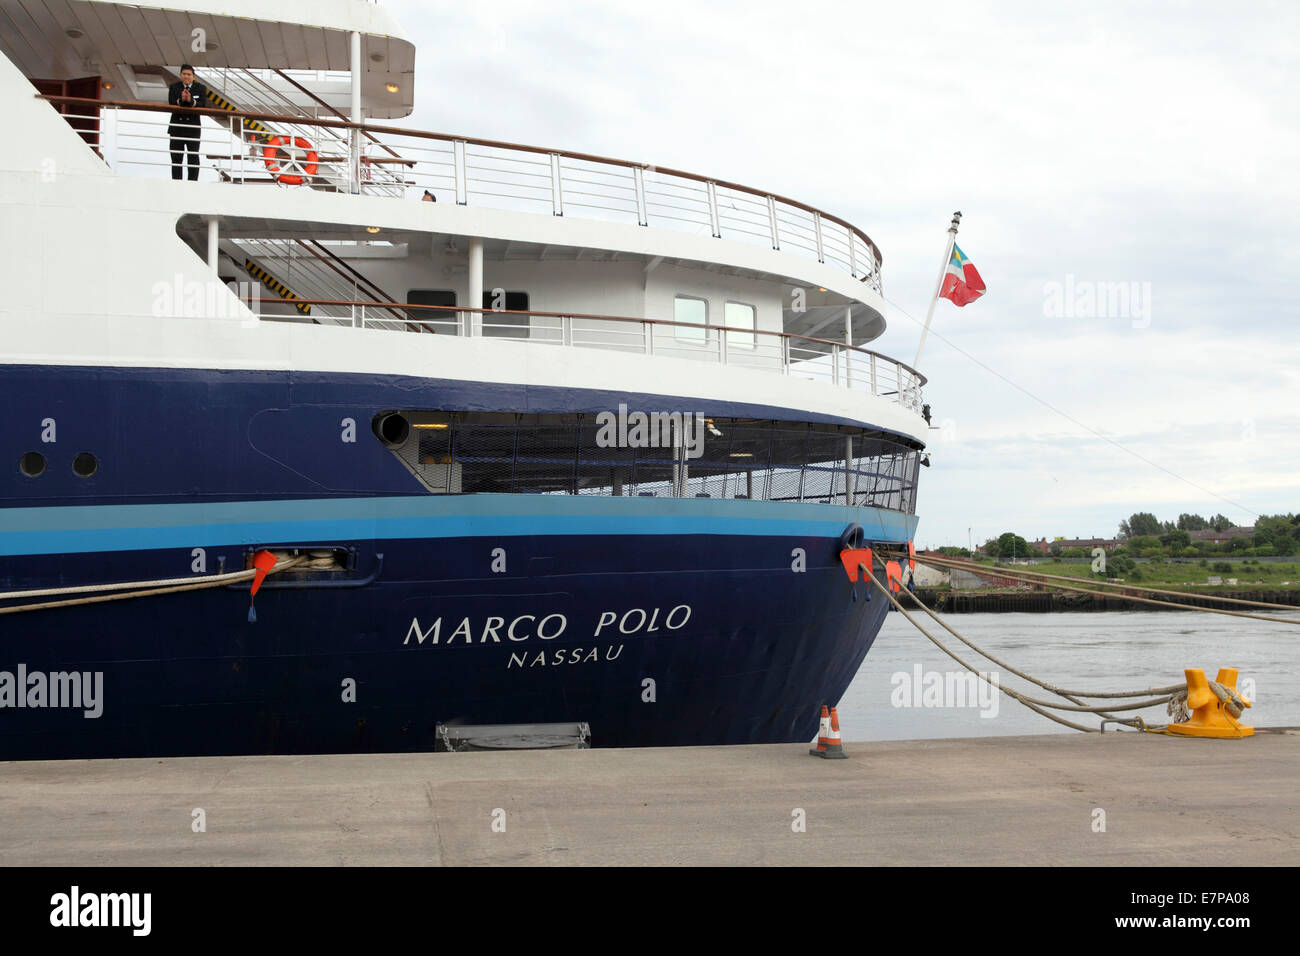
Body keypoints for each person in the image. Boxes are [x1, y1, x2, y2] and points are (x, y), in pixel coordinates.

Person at [167, 65, 208, 181]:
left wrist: (191, 101)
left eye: (189, 74)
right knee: (176, 158)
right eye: (184, 74)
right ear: (180, 75)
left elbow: (203, 105)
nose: (186, 76)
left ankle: (193, 182)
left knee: (193, 156)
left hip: (192, 128)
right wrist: (181, 100)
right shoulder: (174, 87)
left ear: (193, 76)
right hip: (177, 127)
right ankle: (176, 182)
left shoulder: (200, 88)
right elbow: (171, 102)